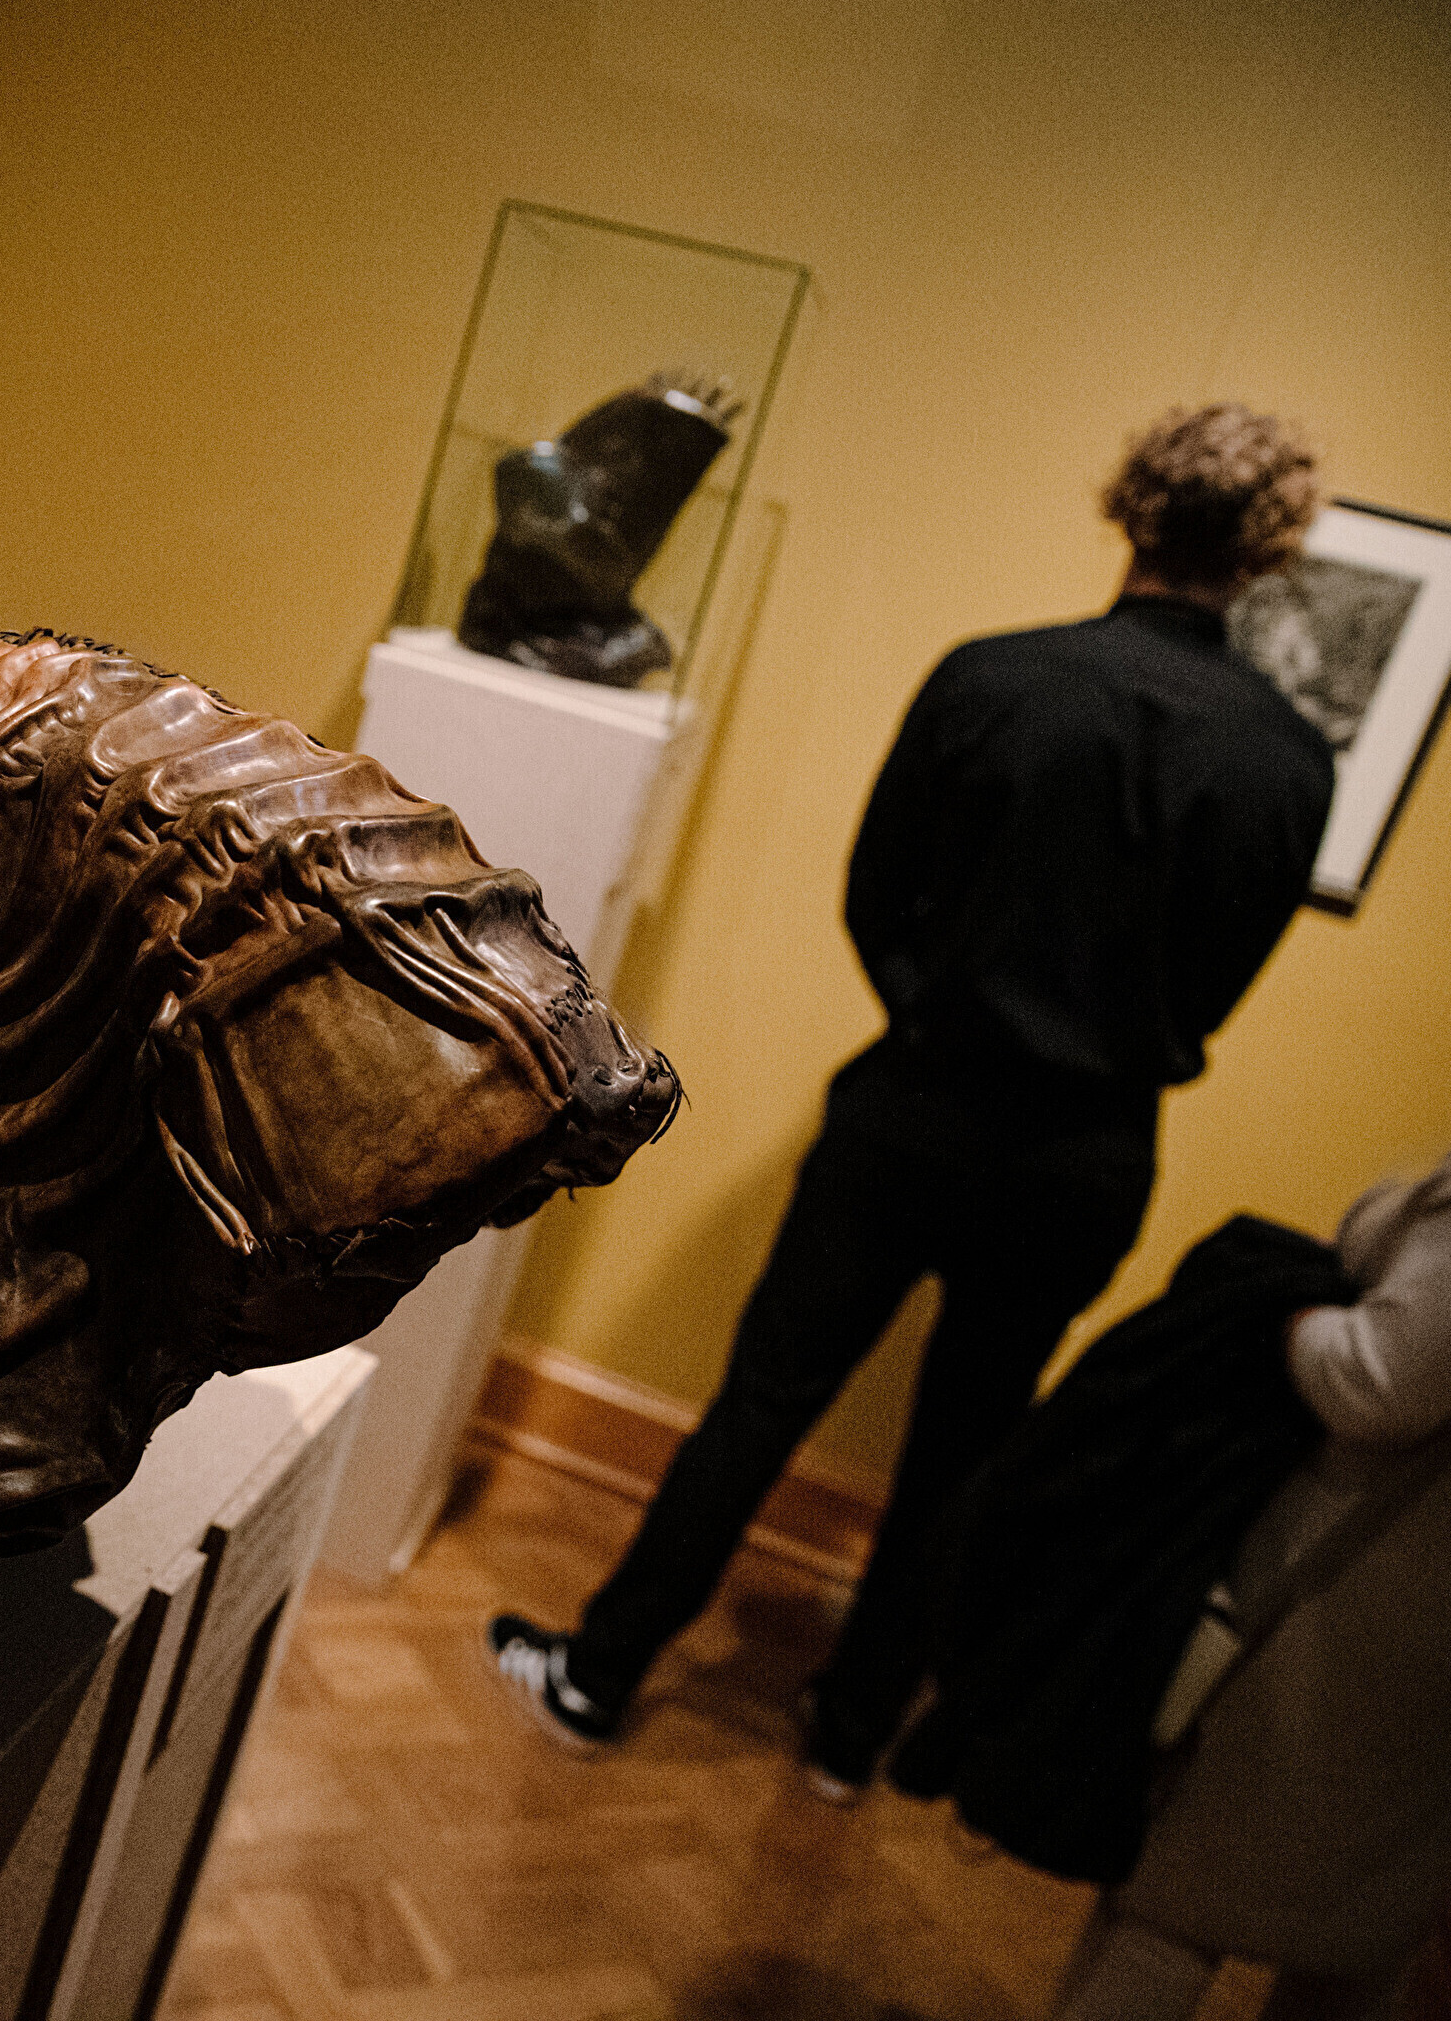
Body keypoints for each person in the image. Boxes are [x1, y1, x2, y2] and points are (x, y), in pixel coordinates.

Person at [492, 405, 1337, 1795]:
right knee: (969, 1445)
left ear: (1132, 506)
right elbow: (1217, 983)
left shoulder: (997, 678)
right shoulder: (1290, 761)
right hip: (1089, 1151)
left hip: (921, 1102)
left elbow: (876, 890)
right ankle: (850, 1731)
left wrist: (940, 1009)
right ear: (1267, 549)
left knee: (765, 1397)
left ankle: (600, 1673)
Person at [1048, 843, 1451, 2021]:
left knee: (1179, 1901)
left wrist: (1285, 1312)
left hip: (1360, 1610)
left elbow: (1381, 1381)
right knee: (1362, 1936)